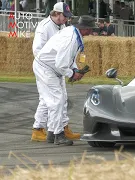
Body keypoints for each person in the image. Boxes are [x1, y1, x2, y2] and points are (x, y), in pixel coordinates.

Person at [32, 14, 95, 146]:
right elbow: (61, 64)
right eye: (90, 29)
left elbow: (69, 59)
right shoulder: (71, 38)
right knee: (57, 100)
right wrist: (72, 74)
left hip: (46, 66)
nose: (91, 32)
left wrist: (75, 70)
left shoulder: (72, 32)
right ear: (85, 29)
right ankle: (57, 134)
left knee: (55, 100)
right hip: (47, 68)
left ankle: (51, 133)